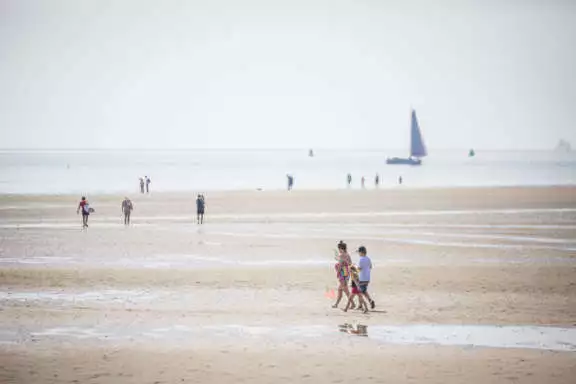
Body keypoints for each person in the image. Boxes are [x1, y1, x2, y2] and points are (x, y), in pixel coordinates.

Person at [332, 241, 352, 309]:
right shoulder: (347, 254)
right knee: (340, 289)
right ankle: (336, 304)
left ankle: (352, 303)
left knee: (345, 290)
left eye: (339, 249)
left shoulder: (342, 255)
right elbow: (350, 263)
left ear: (341, 248)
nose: (339, 250)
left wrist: (337, 273)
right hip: (347, 273)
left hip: (342, 273)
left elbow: (340, 265)